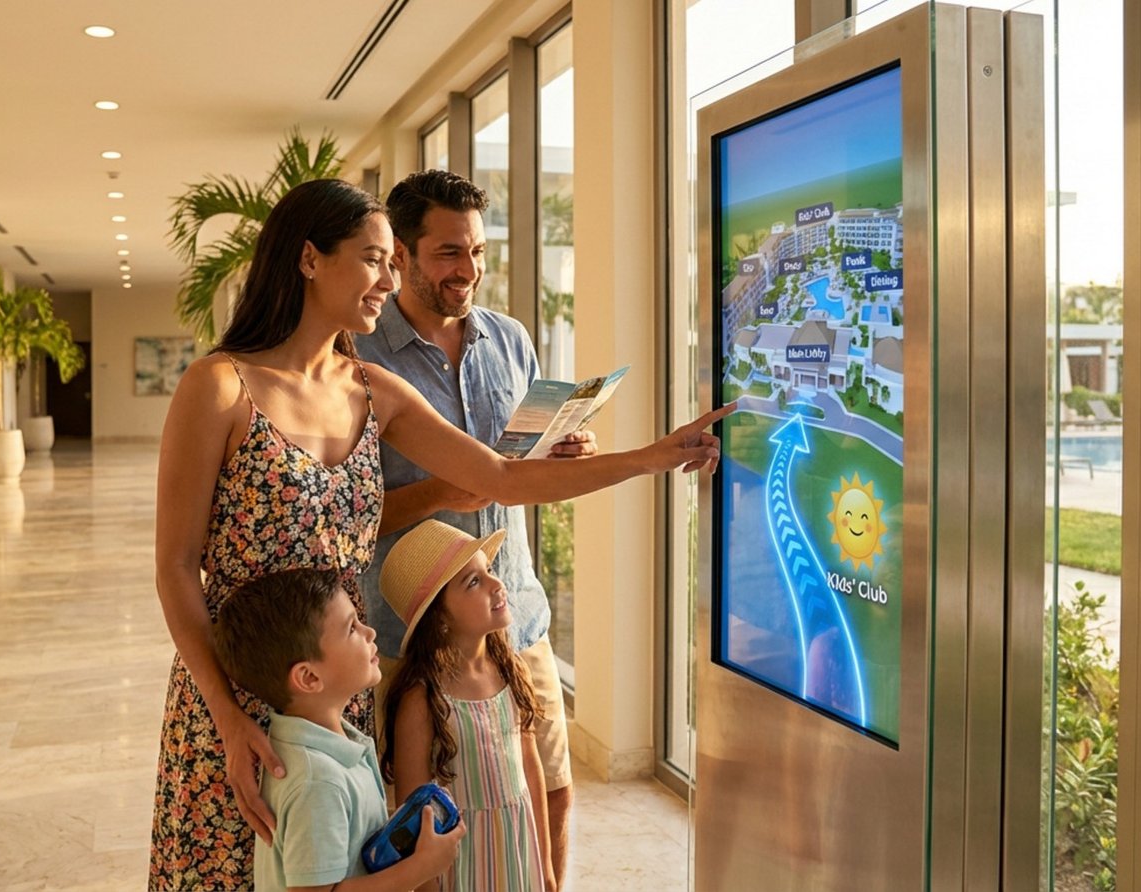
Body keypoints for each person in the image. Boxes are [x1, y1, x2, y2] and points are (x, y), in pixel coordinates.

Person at [151, 176, 729, 889]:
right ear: (308, 259)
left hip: (341, 691)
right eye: (373, 260)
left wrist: (652, 456)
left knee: (343, 867)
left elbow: (504, 478)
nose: (389, 280)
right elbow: (177, 566)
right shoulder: (221, 386)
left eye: (394, 262)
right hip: (237, 691)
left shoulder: (376, 390)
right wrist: (227, 720)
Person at [352, 169, 577, 885]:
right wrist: (442, 489)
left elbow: (519, 474)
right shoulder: (358, 359)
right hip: (406, 631)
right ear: (403, 257)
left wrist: (565, 455)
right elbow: (348, 518)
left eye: (478, 251)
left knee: (551, 788)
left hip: (515, 618)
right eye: (450, 252)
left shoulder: (509, 341)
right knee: (424, 813)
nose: (469, 270)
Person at [209, 567, 465, 891]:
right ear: (309, 678)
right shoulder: (318, 782)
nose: (369, 633)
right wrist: (420, 869)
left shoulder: (330, 747)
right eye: (351, 629)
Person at [378, 520, 553, 892]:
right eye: (473, 582)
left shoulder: (510, 668)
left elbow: (531, 769)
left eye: (488, 571)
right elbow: (415, 811)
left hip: (519, 847)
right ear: (439, 618)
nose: (496, 584)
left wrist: (547, 865)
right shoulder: (422, 699)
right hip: (462, 864)